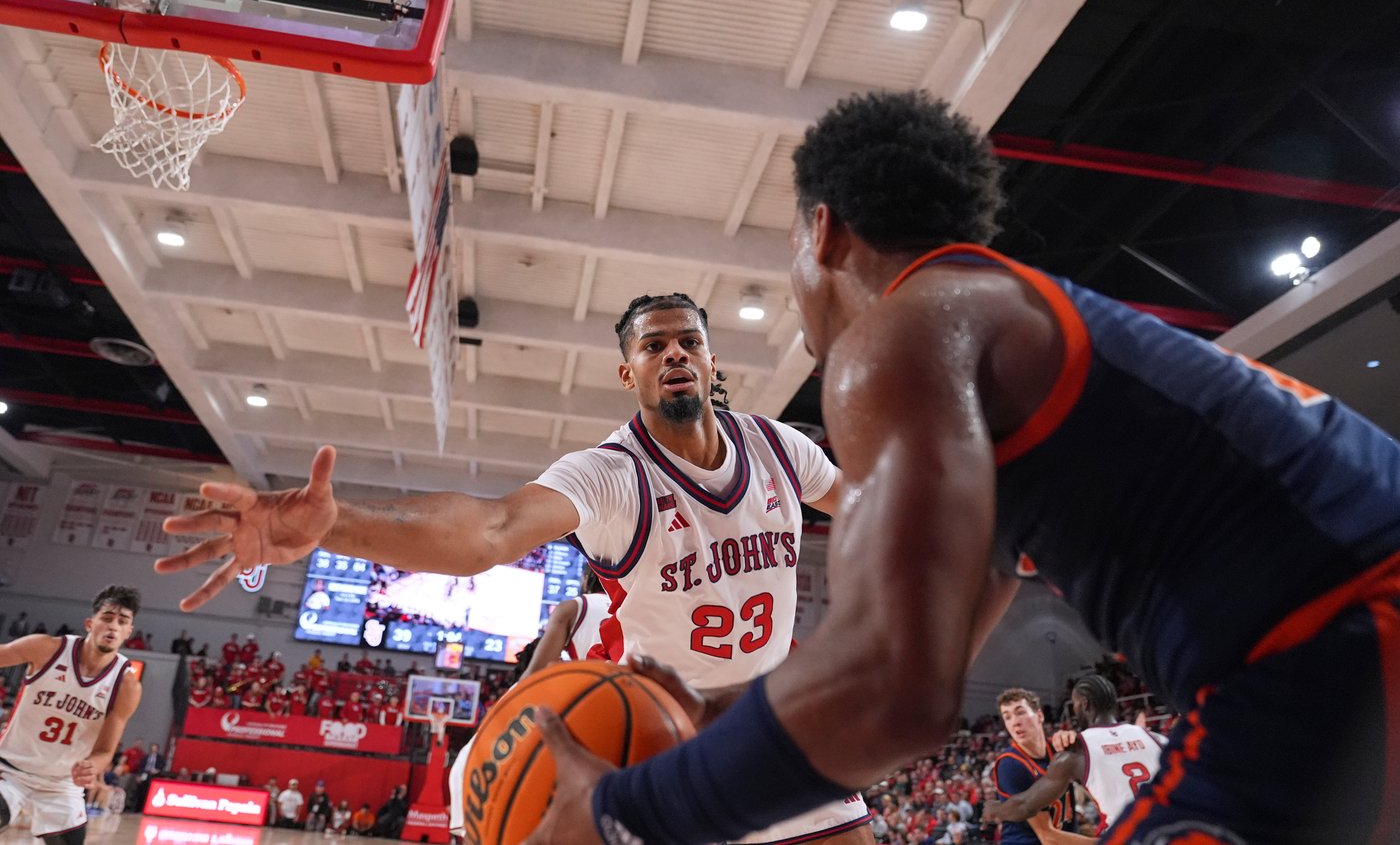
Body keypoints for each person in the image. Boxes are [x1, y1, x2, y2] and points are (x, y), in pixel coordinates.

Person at [483, 88, 1400, 845]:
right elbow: (929, 660)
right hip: (1329, 645)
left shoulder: (903, 335)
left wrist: (619, 815)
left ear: (827, 233)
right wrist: (688, 727)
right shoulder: (981, 333)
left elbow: (893, 687)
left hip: (1335, 638)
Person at [158, 294, 875, 845]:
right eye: (654, 345)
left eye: (691, 341)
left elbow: (868, 508)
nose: (676, 353)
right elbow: (491, 529)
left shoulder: (781, 448)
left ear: (714, 362)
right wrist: (332, 525)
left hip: (769, 719)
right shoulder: (610, 474)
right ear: (629, 372)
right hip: (661, 730)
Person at [0, 585, 144, 845]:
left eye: (122, 622)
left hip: (61, 784)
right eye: (107, 618)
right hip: (9, 769)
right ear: (90, 623)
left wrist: (93, 767)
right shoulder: (46, 648)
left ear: (128, 633)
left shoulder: (127, 685)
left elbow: (104, 751)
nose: (113, 626)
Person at [984, 675, 1163, 835]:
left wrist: (995, 810)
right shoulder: (1156, 738)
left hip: (1126, 835)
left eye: (1074, 704)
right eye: (1007, 717)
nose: (1015, 722)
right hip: (1172, 831)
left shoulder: (1076, 751)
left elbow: (1025, 807)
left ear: (1083, 704)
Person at [985, 689, 1083, 845]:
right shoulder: (1010, 764)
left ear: (1039, 716)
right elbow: (1048, 837)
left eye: (1020, 712)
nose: (1015, 722)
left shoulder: (1059, 749)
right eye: (1007, 717)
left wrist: (1079, 745)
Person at [519, 566, 607, 680]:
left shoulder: (572, 607)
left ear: (586, 580)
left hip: (596, 688)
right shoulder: (627, 610)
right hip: (632, 688)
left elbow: (535, 675)